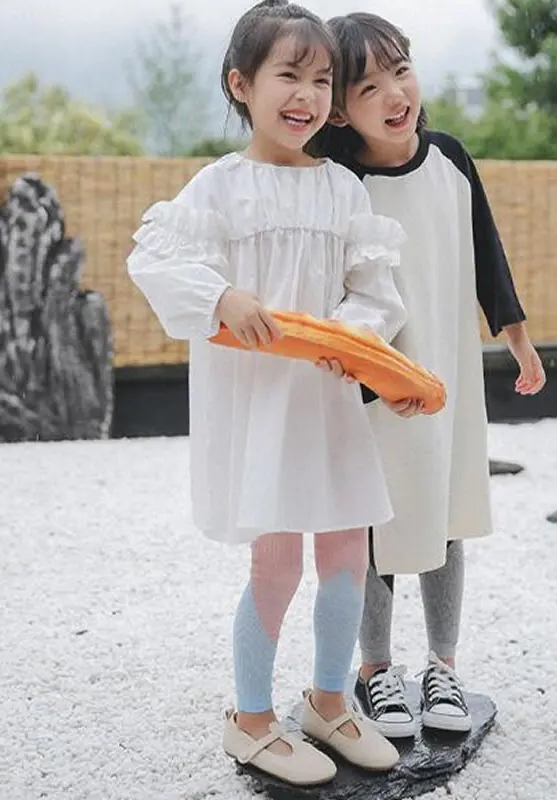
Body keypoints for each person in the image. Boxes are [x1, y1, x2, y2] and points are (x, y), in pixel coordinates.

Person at [126, 0, 408, 786]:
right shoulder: (219, 187)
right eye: (289, 75)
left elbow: (375, 289)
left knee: (347, 551)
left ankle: (328, 702)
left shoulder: (343, 191)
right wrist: (221, 296)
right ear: (241, 84)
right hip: (259, 407)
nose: (307, 95)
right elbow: (156, 261)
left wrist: (351, 334)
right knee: (276, 561)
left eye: (322, 80)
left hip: (328, 399)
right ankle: (250, 719)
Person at [312, 12, 546, 738]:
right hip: (374, 385)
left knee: (445, 510)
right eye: (368, 87)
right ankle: (375, 671)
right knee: (377, 521)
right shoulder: (342, 184)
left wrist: (520, 341)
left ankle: (443, 664)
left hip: (450, 372)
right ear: (340, 112)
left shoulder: (450, 159)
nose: (394, 94)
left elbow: (487, 254)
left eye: (401, 71)